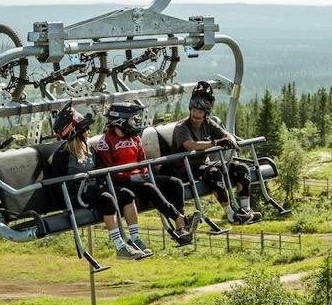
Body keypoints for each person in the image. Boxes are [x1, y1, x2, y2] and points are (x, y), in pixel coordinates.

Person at [48, 105, 150, 260]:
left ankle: (135, 239)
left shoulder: (89, 149)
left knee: (126, 195)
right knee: (107, 199)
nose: (89, 131)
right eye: (86, 129)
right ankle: (119, 246)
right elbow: (56, 182)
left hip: (94, 188)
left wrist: (103, 183)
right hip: (79, 194)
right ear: (77, 132)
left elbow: (100, 170)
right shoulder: (63, 155)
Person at [96, 102, 199, 248]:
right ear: (120, 121)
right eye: (131, 119)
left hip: (140, 178)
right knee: (148, 187)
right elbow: (109, 171)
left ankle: (180, 228)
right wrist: (132, 178)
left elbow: (143, 162)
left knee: (174, 182)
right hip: (122, 182)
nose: (135, 122)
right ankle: (180, 219)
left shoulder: (135, 138)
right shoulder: (106, 142)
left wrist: (145, 174)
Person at [172, 81, 262, 224]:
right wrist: (215, 143)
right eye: (194, 111)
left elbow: (226, 135)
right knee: (214, 173)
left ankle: (245, 209)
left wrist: (231, 141)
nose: (196, 115)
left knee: (241, 168)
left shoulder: (208, 124)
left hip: (203, 164)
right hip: (186, 168)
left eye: (200, 112)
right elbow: (190, 145)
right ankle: (230, 214)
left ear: (205, 114)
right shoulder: (182, 127)